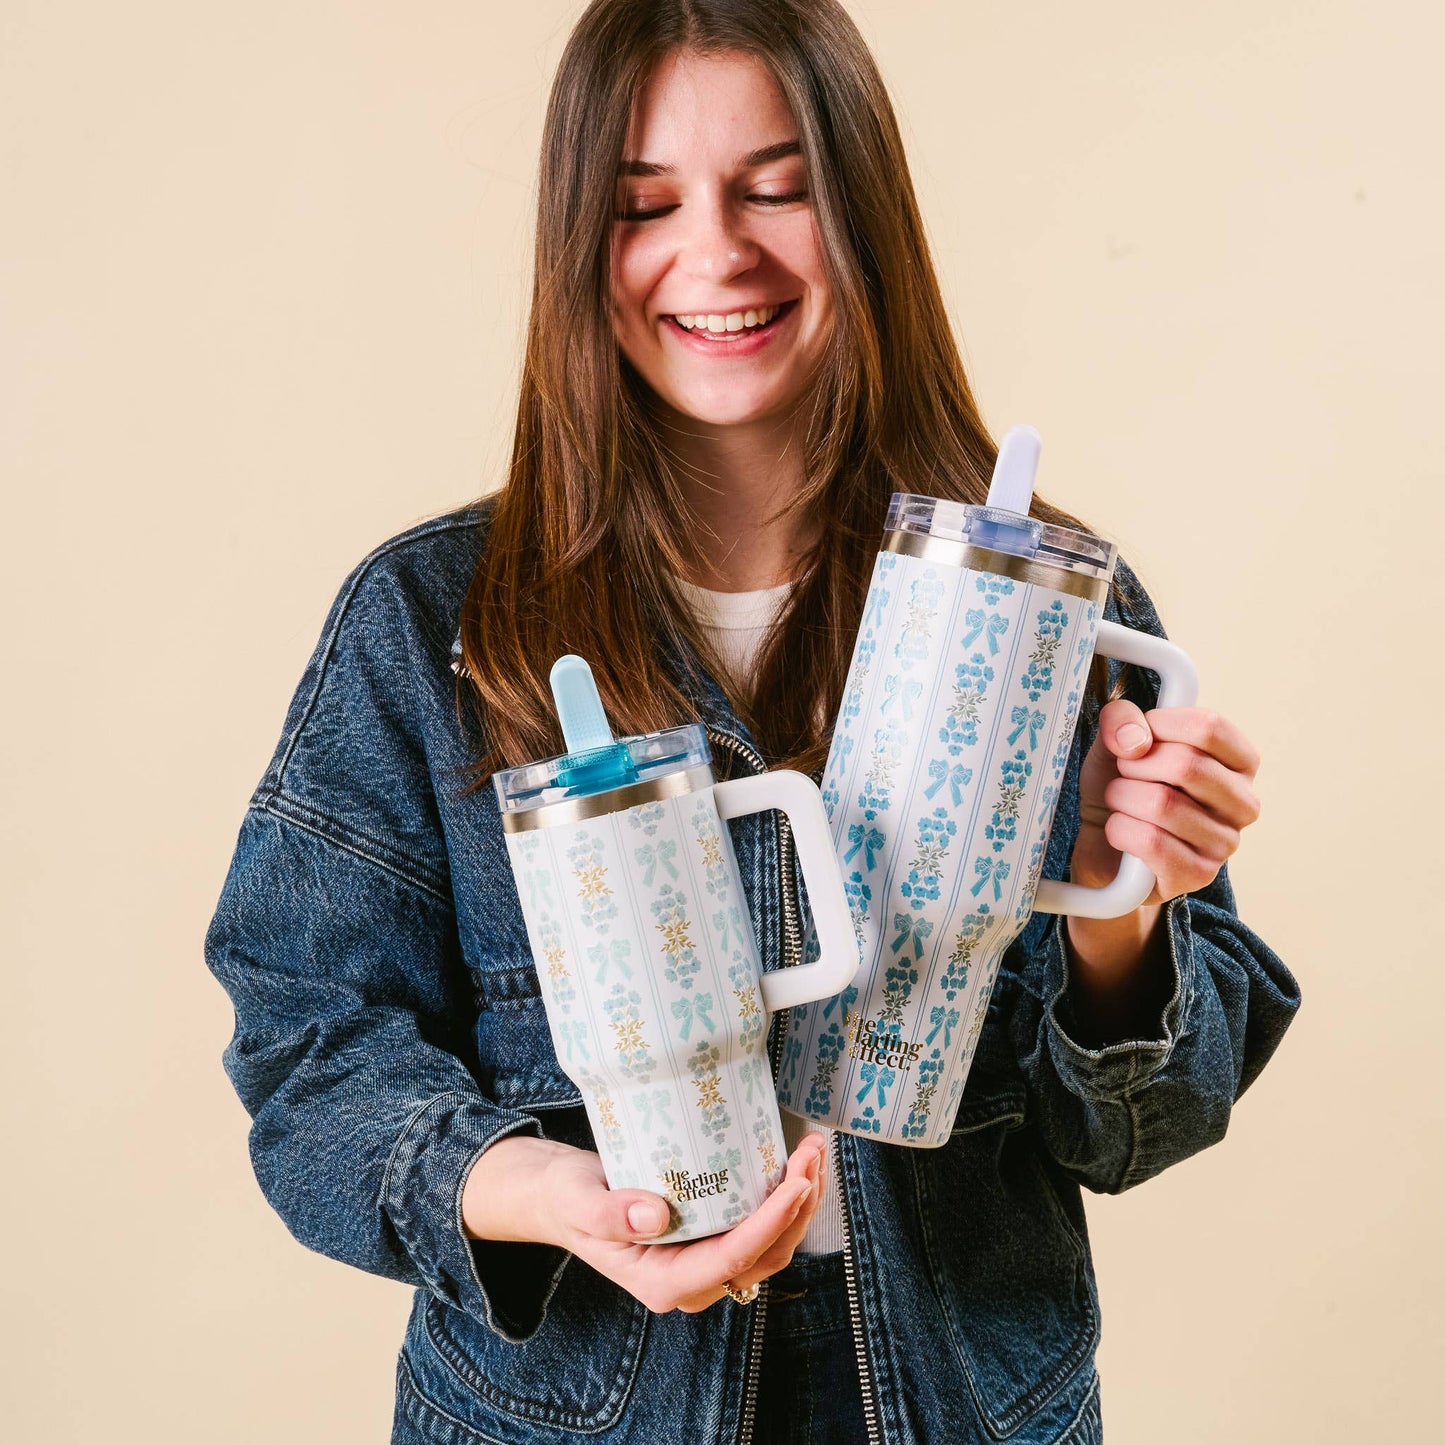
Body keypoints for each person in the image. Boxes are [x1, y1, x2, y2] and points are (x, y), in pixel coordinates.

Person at [204, 2, 1301, 1441]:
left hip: (962, 1399)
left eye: (775, 188)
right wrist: (551, 1196)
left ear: (865, 215)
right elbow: (308, 1051)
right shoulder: (435, 624)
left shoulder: (1040, 608)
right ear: (574, 247)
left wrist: (1122, 916)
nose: (715, 252)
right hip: (566, 1407)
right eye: (645, 205)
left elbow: (1137, 1128)